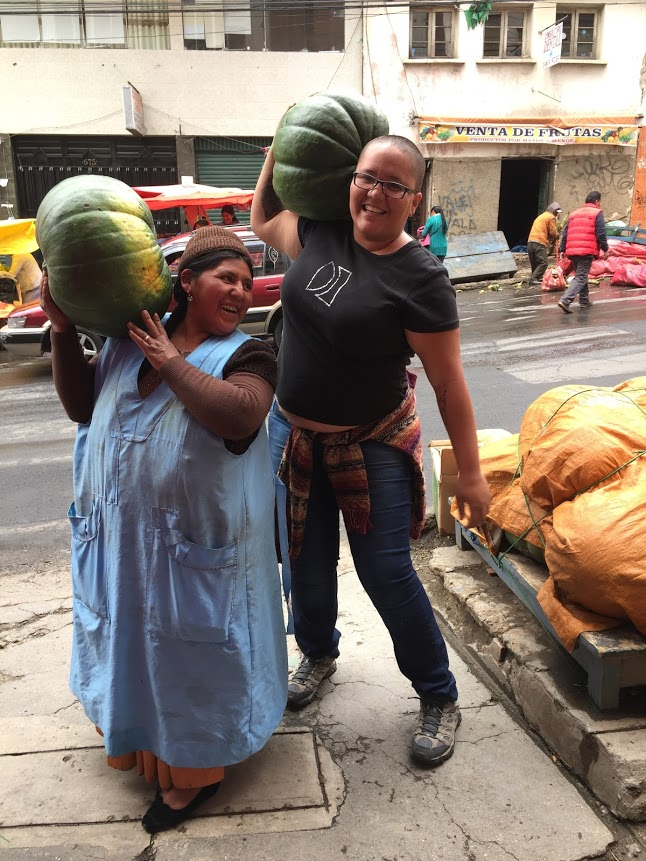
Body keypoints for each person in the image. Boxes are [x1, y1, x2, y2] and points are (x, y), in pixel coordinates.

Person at [251, 133, 491, 768]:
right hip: (293, 436)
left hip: (372, 441)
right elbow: (264, 220)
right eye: (366, 178)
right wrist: (278, 149)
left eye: (393, 185)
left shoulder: (421, 278)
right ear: (350, 180)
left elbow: (449, 383)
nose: (375, 194)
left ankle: (438, 693)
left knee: (386, 571)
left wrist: (470, 474)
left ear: (415, 199)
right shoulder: (322, 230)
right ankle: (318, 654)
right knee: (302, 560)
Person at [43, 226, 287, 833]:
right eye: (227, 278)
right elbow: (80, 407)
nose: (241, 292)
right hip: (123, 549)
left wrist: (171, 362)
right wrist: (62, 329)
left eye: (247, 282)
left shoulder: (249, 356)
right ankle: (138, 744)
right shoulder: (127, 341)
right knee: (130, 643)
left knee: (190, 663)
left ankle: (194, 779)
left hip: (195, 556)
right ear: (188, 281)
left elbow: (241, 414)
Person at [558, 191, 608, 313]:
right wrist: (605, 249)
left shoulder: (574, 214)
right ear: (597, 201)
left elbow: (565, 232)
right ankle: (565, 300)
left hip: (572, 250)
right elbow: (601, 233)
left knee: (581, 274)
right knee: (581, 276)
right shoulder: (597, 213)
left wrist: (562, 249)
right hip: (586, 250)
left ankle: (584, 301)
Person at [527, 202, 561, 286]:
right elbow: (552, 232)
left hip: (531, 241)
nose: (557, 214)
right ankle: (533, 279)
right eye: (556, 212)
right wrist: (557, 235)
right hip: (540, 241)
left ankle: (535, 277)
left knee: (535, 262)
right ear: (553, 211)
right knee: (543, 263)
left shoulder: (541, 216)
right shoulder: (551, 217)